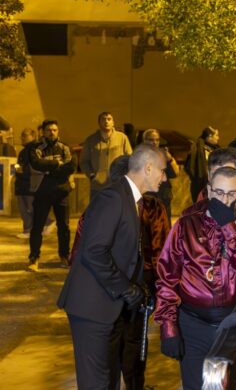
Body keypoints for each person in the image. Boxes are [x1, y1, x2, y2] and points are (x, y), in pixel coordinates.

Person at [56, 144, 166, 389]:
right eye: (162, 170)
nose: (165, 177)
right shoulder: (113, 197)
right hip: (92, 308)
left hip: (110, 307)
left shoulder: (130, 199)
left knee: (109, 381)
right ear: (148, 168)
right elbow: (93, 251)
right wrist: (126, 288)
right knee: (97, 383)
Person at [155, 166, 236, 389]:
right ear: (209, 191)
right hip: (193, 324)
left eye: (232, 194)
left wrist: (229, 227)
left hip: (234, 326)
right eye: (219, 192)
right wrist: (168, 326)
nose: (224, 199)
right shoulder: (186, 224)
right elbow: (167, 277)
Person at [27, 120, 76, 271]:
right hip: (42, 192)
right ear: (43, 131)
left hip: (61, 192)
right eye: (48, 130)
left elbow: (71, 166)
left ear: (58, 131)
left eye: (54, 130)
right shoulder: (35, 147)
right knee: (37, 226)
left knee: (64, 227)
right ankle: (34, 258)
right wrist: (56, 164)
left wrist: (49, 169)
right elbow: (36, 163)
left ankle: (64, 256)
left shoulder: (65, 147)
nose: (52, 132)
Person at [80, 112, 133, 197]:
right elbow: (84, 161)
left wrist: (124, 176)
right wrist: (92, 175)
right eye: (103, 119)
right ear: (99, 122)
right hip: (97, 186)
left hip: (117, 185)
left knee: (117, 209)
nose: (106, 121)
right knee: (97, 209)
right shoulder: (91, 140)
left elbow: (130, 158)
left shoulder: (122, 138)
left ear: (113, 122)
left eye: (109, 119)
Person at [142, 129, 179, 220]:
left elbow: (174, 174)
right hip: (148, 196)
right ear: (144, 141)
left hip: (164, 197)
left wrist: (170, 160)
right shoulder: (139, 155)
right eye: (151, 140)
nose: (154, 142)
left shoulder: (163, 154)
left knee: (165, 226)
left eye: (157, 140)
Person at [185, 126, 219, 201]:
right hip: (200, 185)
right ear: (210, 136)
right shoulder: (197, 149)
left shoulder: (216, 149)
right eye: (216, 135)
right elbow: (190, 167)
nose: (218, 138)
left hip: (215, 186)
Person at [14, 127, 37, 239]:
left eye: (25, 135)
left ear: (32, 136)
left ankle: (44, 224)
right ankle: (28, 229)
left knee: (30, 208)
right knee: (24, 208)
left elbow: (31, 169)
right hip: (22, 185)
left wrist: (20, 171)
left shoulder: (33, 150)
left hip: (29, 185)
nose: (22, 137)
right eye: (21, 135)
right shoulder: (23, 151)